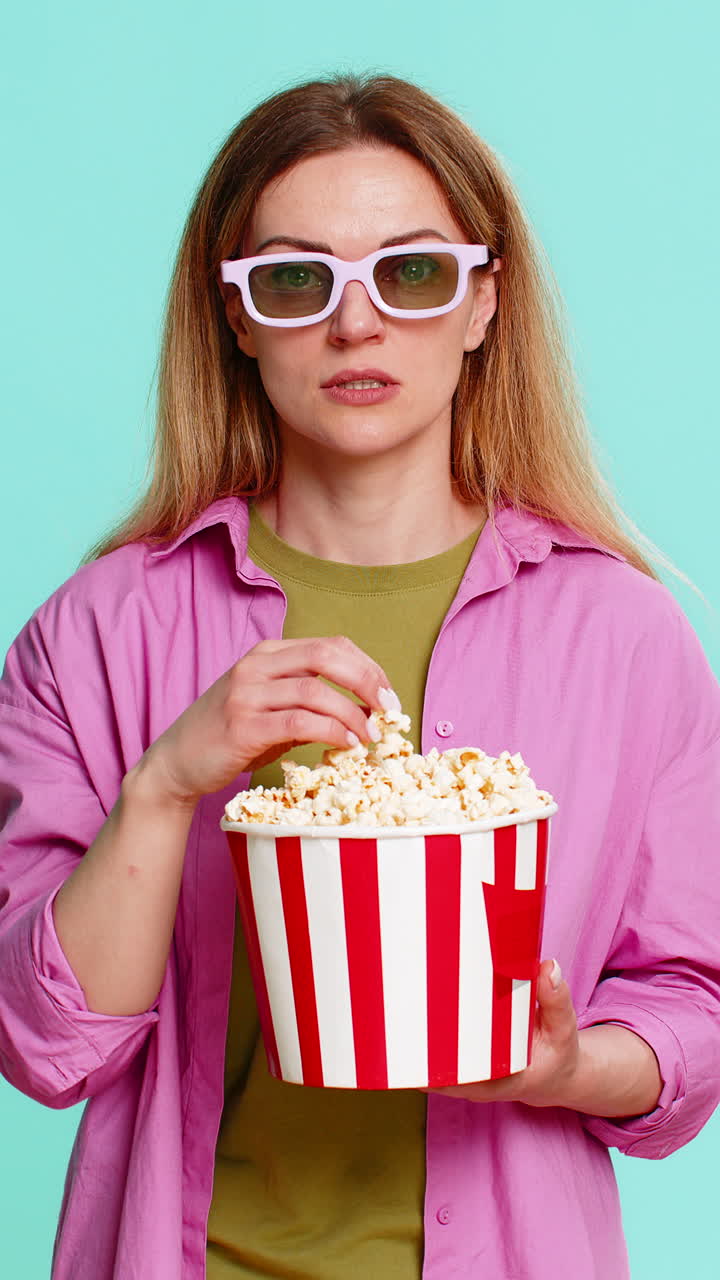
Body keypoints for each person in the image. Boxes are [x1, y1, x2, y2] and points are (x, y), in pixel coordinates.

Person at [1, 71, 719, 1280]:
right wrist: (170, 781)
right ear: (236, 315)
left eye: (412, 271)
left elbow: (692, 1003)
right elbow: (50, 1046)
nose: (356, 325)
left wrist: (566, 1063)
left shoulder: (626, 637)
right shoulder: (98, 629)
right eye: (296, 278)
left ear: (483, 301)